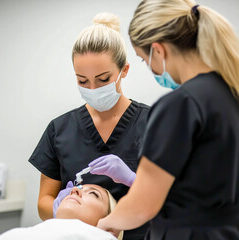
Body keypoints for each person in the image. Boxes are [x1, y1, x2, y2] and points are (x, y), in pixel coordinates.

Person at [97, 0, 239, 239]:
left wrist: (105, 223)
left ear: (159, 50)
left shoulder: (180, 105)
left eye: (145, 59)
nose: (150, 67)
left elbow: (142, 206)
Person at [29, 12, 149, 239]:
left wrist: (133, 180)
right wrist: (59, 206)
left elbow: (177, 197)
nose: (92, 88)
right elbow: (43, 202)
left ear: (124, 70)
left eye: (103, 79)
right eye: (82, 80)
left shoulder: (154, 125)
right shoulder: (59, 130)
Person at [0, 184, 123, 240]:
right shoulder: (33, 232)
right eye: (78, 188)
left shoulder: (104, 236)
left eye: (94, 194)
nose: (74, 191)